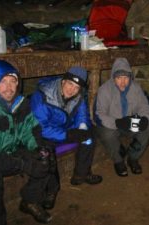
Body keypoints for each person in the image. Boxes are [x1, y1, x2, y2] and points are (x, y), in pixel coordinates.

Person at [30, 66, 102, 210]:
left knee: (90, 134)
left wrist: (82, 127)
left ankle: (81, 174)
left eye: (76, 87)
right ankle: (51, 190)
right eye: (70, 84)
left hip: (66, 129)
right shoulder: (42, 96)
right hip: (45, 134)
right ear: (63, 81)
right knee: (45, 150)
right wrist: (68, 135)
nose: (72, 90)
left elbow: (82, 115)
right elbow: (40, 128)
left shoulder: (79, 95)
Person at [0, 60, 52, 224]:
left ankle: (30, 200)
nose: (9, 88)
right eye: (2, 82)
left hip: (12, 151)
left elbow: (31, 130)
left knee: (45, 155)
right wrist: (22, 164)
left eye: (13, 81)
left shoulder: (20, 104)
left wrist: (39, 149)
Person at [94, 57, 149, 177]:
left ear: (130, 77)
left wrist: (145, 119)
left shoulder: (136, 88)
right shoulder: (104, 90)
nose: (123, 82)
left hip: (128, 123)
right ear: (113, 78)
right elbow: (99, 114)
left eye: (126, 77)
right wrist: (117, 123)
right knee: (107, 134)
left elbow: (144, 107)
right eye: (119, 78)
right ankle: (118, 160)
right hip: (112, 124)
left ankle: (133, 157)